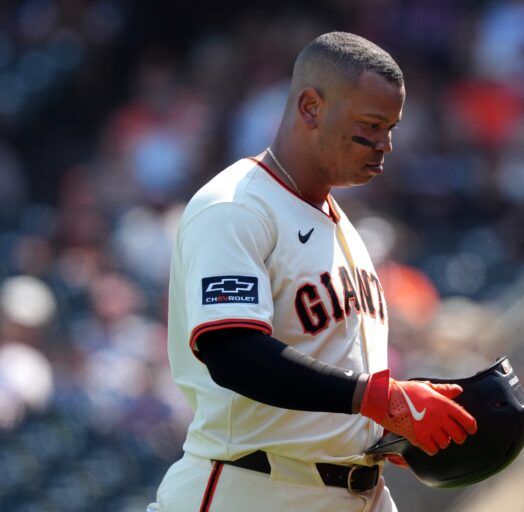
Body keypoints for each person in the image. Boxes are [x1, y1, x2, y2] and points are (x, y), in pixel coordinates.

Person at [148, 32, 477, 512]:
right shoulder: (237, 206)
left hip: (356, 492)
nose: (385, 144)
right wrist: (377, 399)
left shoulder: (342, 225)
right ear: (310, 107)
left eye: (391, 127)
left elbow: (335, 378)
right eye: (371, 124)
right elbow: (233, 352)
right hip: (255, 488)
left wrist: (390, 427)